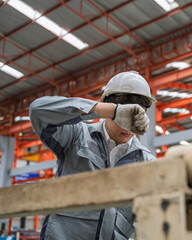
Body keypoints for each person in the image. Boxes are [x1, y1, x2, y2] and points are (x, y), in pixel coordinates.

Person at [29, 71, 157, 240]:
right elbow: (38, 110)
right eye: (125, 117)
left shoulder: (146, 162)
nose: (129, 127)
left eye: (137, 115)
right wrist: (108, 110)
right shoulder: (76, 136)